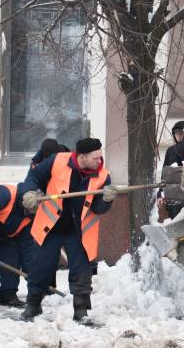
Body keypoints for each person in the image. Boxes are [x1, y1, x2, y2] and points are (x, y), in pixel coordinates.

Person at [20, 137, 118, 322]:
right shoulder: (57, 161)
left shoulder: (103, 176)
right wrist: (30, 192)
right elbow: (34, 177)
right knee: (40, 267)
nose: (100, 161)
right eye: (95, 158)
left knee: (82, 270)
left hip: (78, 231)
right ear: (82, 156)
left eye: (100, 157)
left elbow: (98, 209)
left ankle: (81, 311)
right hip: (50, 227)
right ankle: (33, 306)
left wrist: (106, 199)